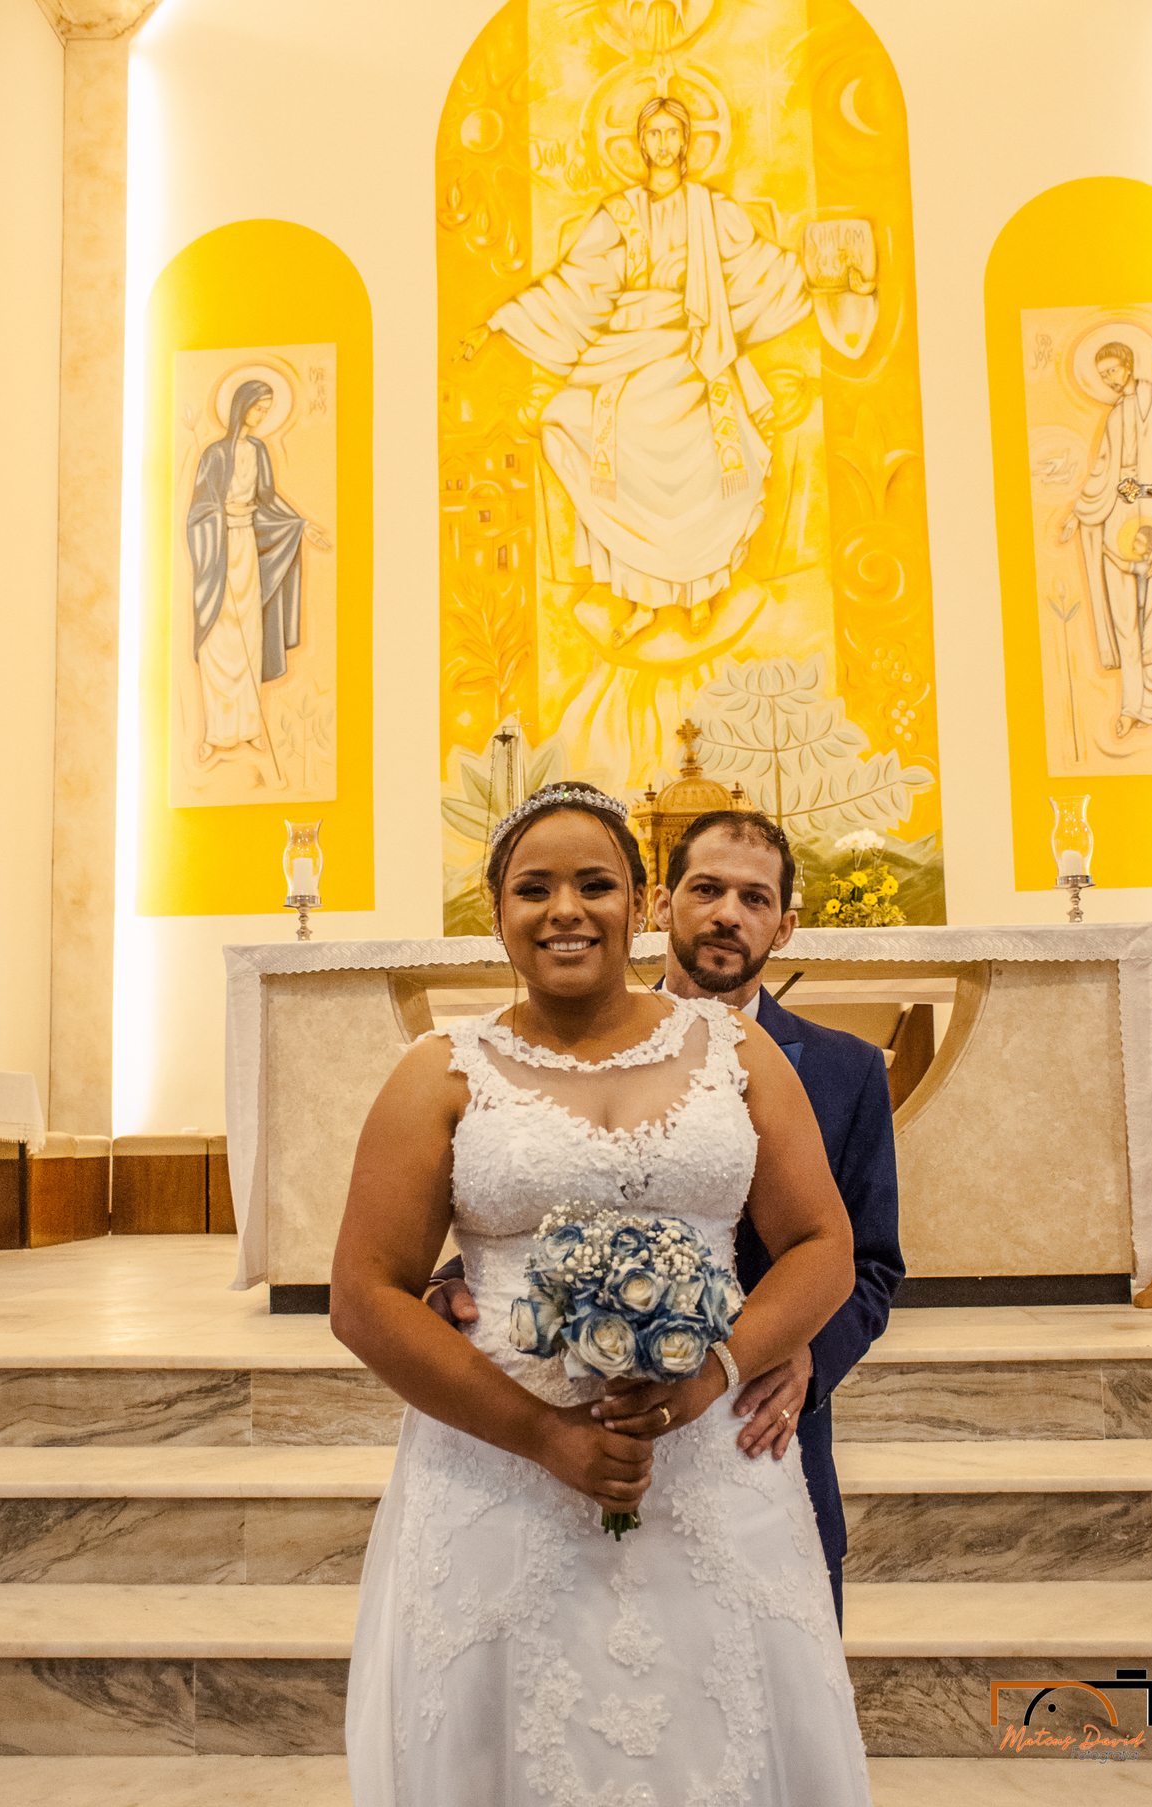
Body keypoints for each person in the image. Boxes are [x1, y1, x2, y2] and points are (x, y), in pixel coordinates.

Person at [333, 783, 872, 1806]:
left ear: (643, 904)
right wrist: (549, 1438)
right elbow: (365, 1295)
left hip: (712, 1466)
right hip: (499, 1473)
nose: (566, 910)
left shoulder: (737, 1053)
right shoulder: (437, 1072)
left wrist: (718, 1369)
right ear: (495, 915)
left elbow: (821, 1246)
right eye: (534, 889)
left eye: (595, 884)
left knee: (722, 1732)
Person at [433, 807, 904, 1627]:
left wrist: (806, 1358)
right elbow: (523, 1181)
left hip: (751, 1418)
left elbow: (866, 1259)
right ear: (661, 904)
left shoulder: (844, 1069)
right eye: (707, 888)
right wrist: (466, 1280)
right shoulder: (558, 1031)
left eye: (755, 899)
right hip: (553, 1413)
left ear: (784, 926)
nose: (728, 913)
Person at [456, 98, 871, 647]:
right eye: (651, 132)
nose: (661, 142)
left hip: (693, 349)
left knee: (708, 448)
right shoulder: (618, 216)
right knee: (590, 431)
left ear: (687, 141)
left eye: (671, 132)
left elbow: (760, 267)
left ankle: (699, 593)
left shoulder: (710, 210)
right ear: (639, 142)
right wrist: (497, 324)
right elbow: (574, 286)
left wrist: (833, 275)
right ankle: (642, 603)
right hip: (627, 353)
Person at [186, 379, 330, 760]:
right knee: (219, 640)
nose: (261, 416)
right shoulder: (215, 455)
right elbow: (198, 510)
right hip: (218, 552)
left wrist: (302, 525)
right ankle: (215, 733)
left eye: (267, 411)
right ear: (240, 406)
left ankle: (248, 728)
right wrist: (220, 522)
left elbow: (267, 500)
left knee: (248, 634)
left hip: (246, 548)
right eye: (257, 409)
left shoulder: (259, 451)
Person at [1060, 342, 1152, 737]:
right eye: (1104, 374)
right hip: (1117, 515)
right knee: (1125, 615)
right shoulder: (1114, 417)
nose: (1111, 378)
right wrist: (1080, 514)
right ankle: (1131, 705)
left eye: (1114, 369)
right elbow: (1101, 469)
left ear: (1129, 365)